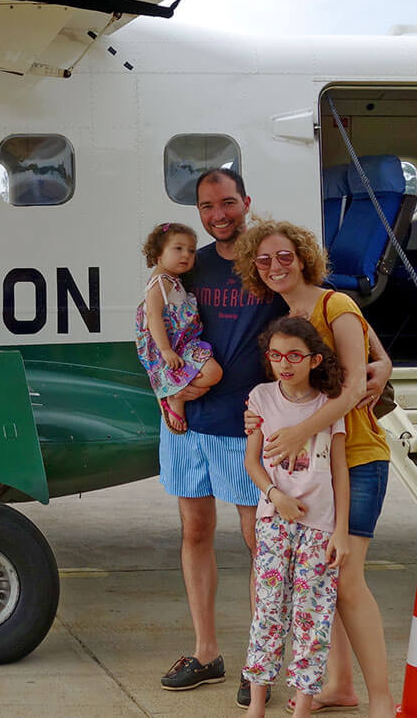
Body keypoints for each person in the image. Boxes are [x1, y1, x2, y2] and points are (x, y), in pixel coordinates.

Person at [234, 219, 395, 718]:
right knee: (325, 581)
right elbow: (380, 357)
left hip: (357, 456)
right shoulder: (287, 316)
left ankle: (382, 701)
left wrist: (300, 432)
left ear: (303, 257)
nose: (276, 266)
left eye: (284, 256)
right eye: (264, 260)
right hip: (312, 471)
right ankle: (340, 684)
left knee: (345, 579)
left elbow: (351, 387)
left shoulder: (335, 304)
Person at [158, 167, 285, 706]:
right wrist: (168, 391)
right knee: (194, 532)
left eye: (228, 203)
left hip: (247, 423)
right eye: (208, 207)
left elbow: (317, 307)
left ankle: (261, 663)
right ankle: (207, 652)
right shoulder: (190, 266)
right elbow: (158, 331)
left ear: (247, 202)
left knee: (261, 542)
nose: (219, 215)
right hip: (188, 421)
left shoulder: (269, 263)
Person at [241, 316, 350, 718]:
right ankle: (256, 705)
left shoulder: (329, 406)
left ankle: (302, 706)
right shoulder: (261, 398)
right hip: (274, 520)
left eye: (293, 356)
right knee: (268, 610)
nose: (284, 364)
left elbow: (341, 472)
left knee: (313, 615)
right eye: (275, 355)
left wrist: (340, 531)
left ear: (314, 359)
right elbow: (252, 462)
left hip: (320, 527)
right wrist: (275, 496)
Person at [136, 222, 223, 433]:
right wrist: (166, 350)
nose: (186, 255)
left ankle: (175, 392)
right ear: (158, 253)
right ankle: (174, 396)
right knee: (213, 373)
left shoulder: (174, 279)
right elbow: (153, 316)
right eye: (178, 248)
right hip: (173, 346)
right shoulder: (160, 282)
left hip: (185, 342)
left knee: (214, 373)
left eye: (191, 250)